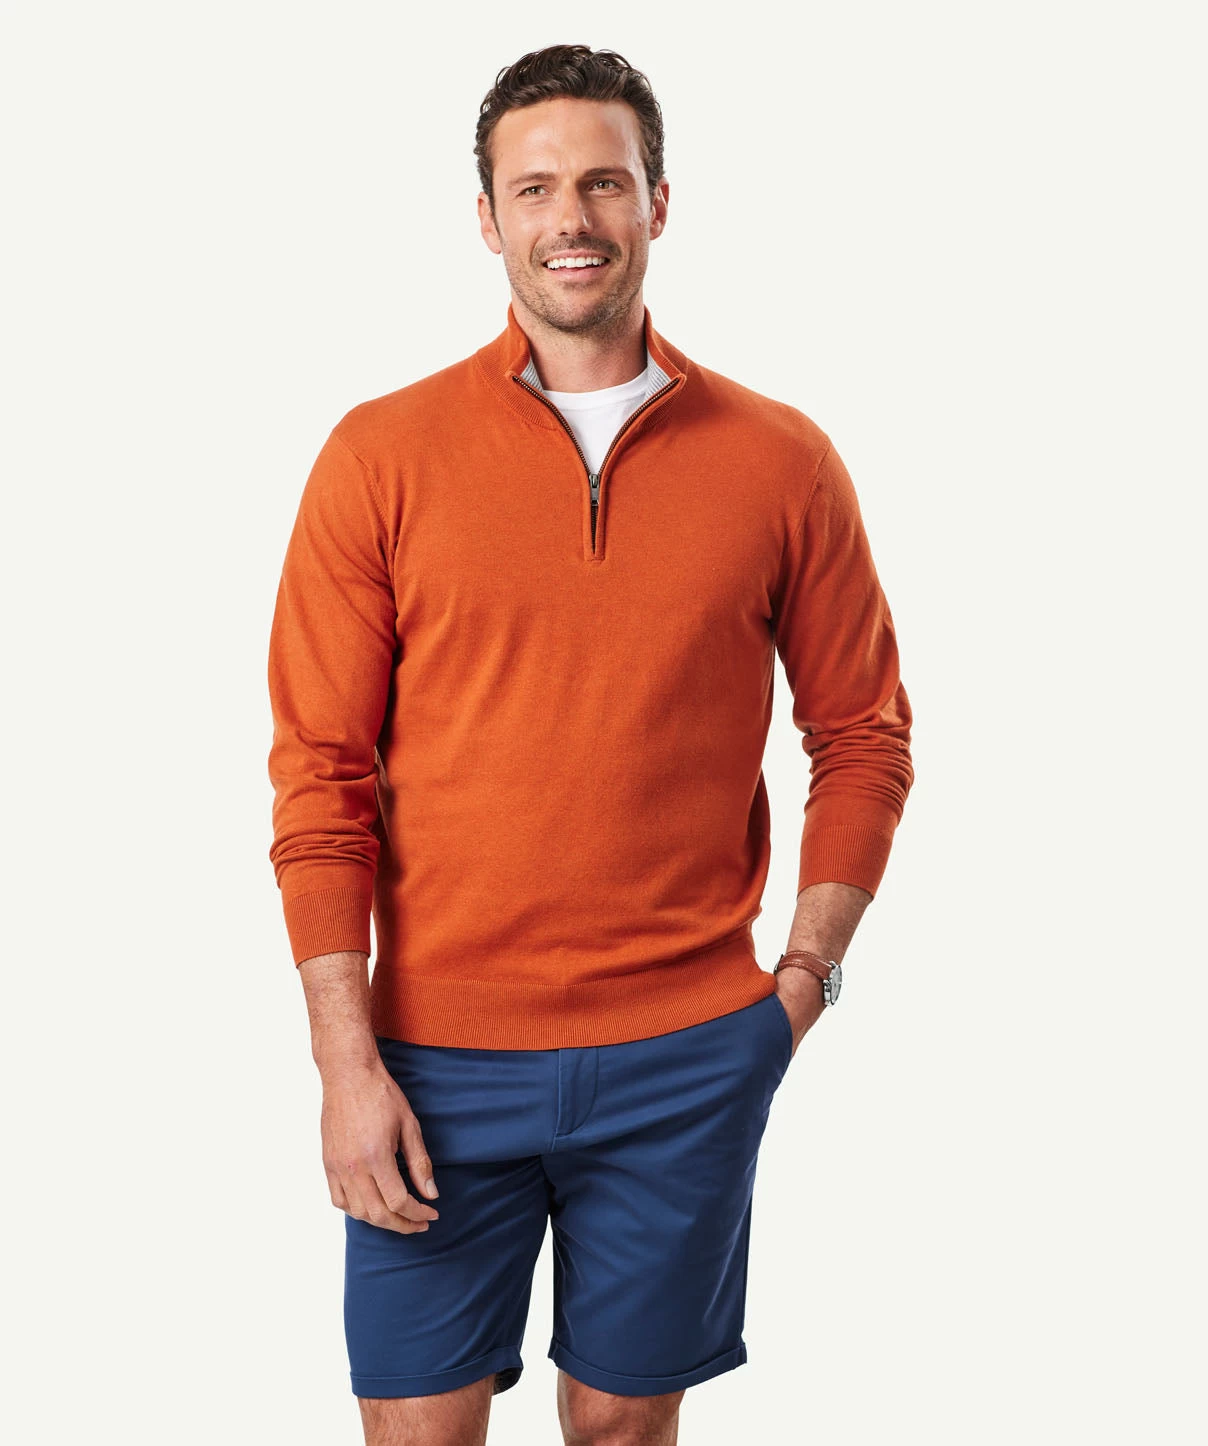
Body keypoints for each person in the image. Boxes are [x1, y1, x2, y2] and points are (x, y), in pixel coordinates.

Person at [266, 42, 915, 1446]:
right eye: (537, 187)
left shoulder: (781, 459)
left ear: (658, 203)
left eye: (605, 183)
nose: (573, 218)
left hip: (686, 1051)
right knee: (416, 1431)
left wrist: (801, 984)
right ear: (486, 217)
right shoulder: (379, 456)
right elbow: (320, 776)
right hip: (433, 1060)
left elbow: (863, 735)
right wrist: (343, 1062)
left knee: (624, 1426)